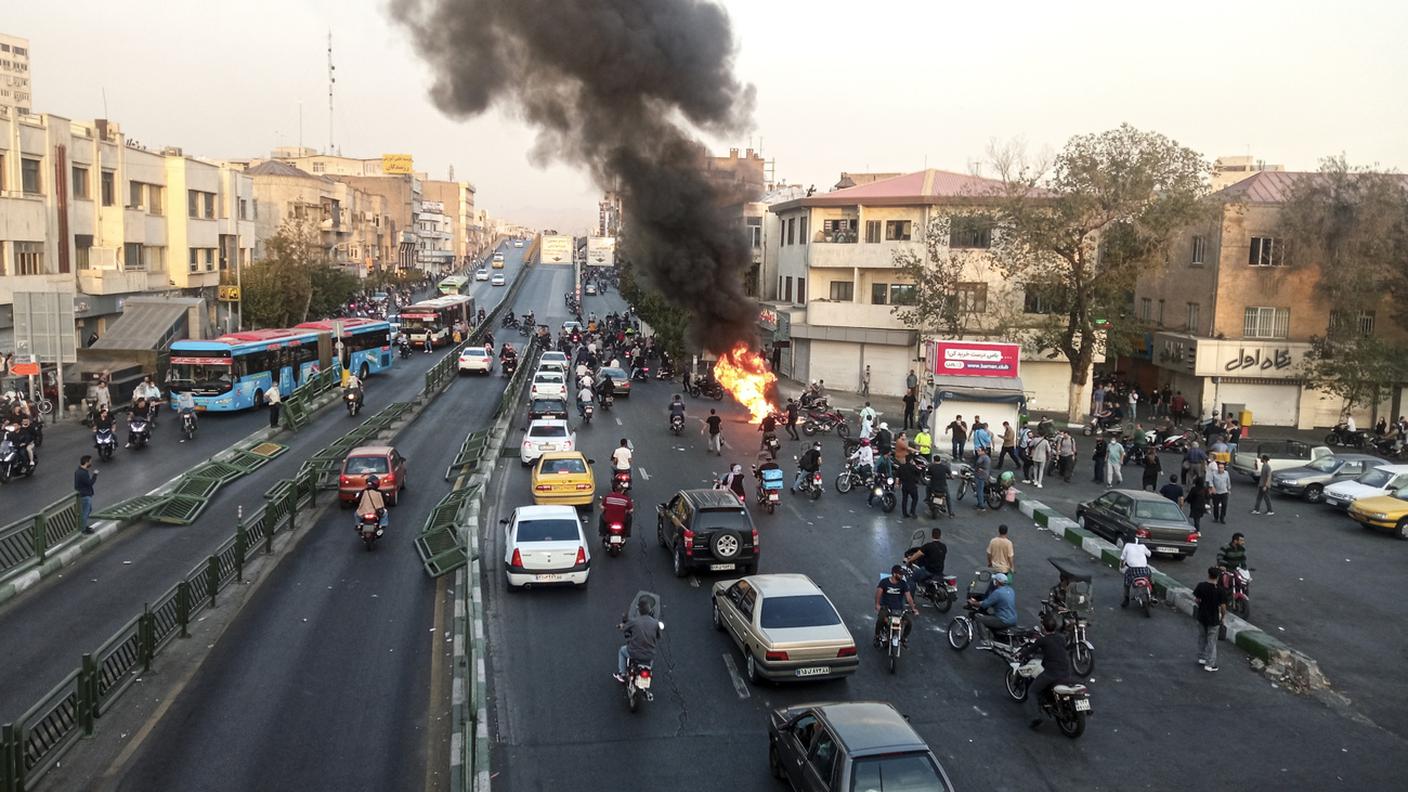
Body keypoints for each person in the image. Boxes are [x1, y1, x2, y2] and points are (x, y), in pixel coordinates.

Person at [1021, 614, 1077, 729]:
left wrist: (1019, 654)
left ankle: (1037, 716)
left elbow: (1030, 650)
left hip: (1052, 673)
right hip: (1066, 671)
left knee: (1032, 691)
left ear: (1043, 627)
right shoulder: (1061, 637)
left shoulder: (1042, 640)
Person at [614, 598, 663, 683]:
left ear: (640, 611)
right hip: (649, 655)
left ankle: (622, 674)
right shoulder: (655, 623)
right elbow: (659, 637)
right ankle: (648, 671)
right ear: (649, 610)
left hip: (634, 653)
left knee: (622, 650)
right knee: (650, 659)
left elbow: (624, 628)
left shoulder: (634, 621)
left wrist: (620, 626)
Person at [968, 572, 1017, 648]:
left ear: (997, 582)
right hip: (1013, 618)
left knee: (979, 618)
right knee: (990, 618)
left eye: (995, 580)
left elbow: (985, 604)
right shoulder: (1011, 590)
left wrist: (973, 602)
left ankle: (985, 640)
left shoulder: (998, 592)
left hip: (1003, 619)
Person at [874, 565, 918, 647]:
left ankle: (904, 638)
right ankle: (877, 636)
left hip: (899, 609)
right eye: (900, 574)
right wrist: (877, 604)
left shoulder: (903, 584)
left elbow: (909, 598)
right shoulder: (884, 582)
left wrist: (913, 608)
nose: (902, 576)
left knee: (909, 623)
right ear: (894, 574)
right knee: (880, 619)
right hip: (886, 608)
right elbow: (878, 593)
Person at [1194, 567, 1225, 672]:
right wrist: (1223, 616)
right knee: (1211, 641)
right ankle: (1210, 664)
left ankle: (1201, 657)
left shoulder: (1201, 586)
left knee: (1202, 637)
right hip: (1214, 618)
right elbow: (1223, 606)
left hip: (1202, 616)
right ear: (1218, 577)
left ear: (1208, 574)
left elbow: (1197, 600)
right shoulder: (1220, 590)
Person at [1119, 536, 1153, 607]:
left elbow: (1122, 558)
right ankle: (1153, 595)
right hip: (1144, 570)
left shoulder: (1127, 545)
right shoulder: (1143, 546)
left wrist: (1122, 566)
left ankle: (1126, 599)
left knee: (1126, 584)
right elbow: (1149, 554)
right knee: (1150, 579)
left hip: (1132, 571)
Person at [75, 455, 98, 535]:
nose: (91, 463)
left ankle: (84, 526)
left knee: (88, 510)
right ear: (86, 462)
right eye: (90, 462)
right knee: (85, 512)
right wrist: (95, 475)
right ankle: (83, 529)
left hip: (82, 494)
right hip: (85, 495)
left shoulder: (78, 471)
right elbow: (90, 483)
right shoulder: (83, 473)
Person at [973, 447, 992, 511]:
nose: (977, 452)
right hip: (986, 475)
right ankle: (980, 503)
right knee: (980, 489)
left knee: (979, 490)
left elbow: (977, 463)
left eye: (979, 451)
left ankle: (981, 506)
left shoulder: (982, 457)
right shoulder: (987, 457)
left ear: (983, 451)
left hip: (981, 475)